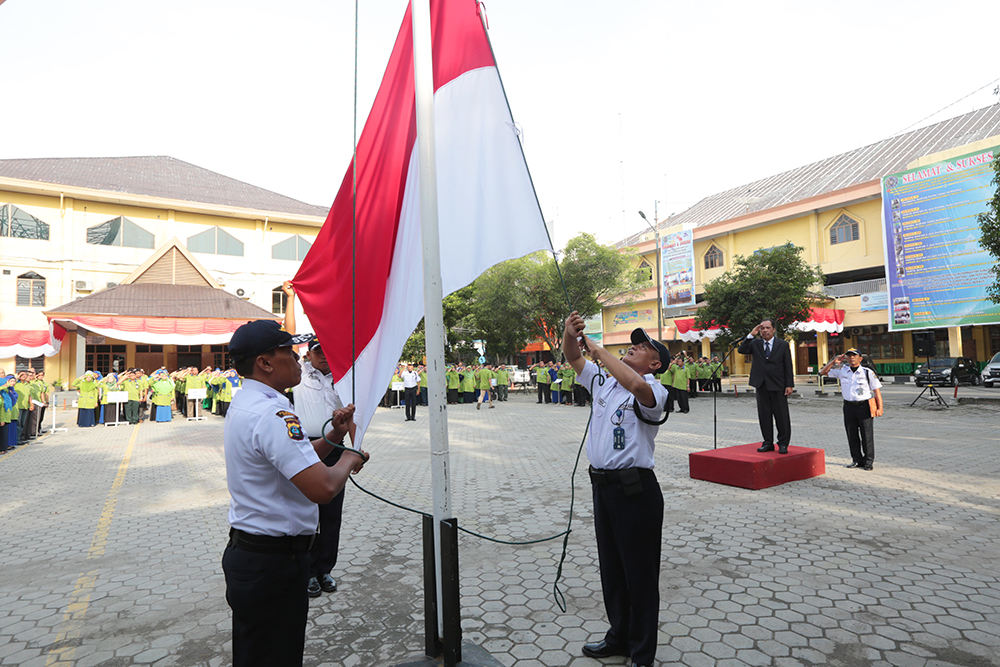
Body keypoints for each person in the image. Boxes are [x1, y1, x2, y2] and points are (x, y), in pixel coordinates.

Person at [222, 319, 368, 667]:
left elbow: (295, 462)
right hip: (273, 562)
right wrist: (351, 455)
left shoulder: (249, 403)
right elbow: (323, 487)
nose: (298, 360)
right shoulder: (274, 413)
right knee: (276, 656)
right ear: (265, 363)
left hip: (256, 556)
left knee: (260, 653)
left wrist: (333, 435)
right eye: (289, 352)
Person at [563, 312, 669, 667]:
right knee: (613, 571)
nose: (632, 348)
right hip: (604, 489)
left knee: (639, 575)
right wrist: (569, 334)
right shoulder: (605, 383)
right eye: (632, 345)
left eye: (640, 348)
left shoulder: (654, 389)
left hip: (636, 493)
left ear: (654, 363)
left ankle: (642, 653)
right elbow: (574, 358)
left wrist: (599, 349)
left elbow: (636, 386)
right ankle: (619, 637)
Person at [738, 318, 794, 454]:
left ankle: (783, 443)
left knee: (781, 416)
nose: (765, 330)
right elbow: (742, 349)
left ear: (773, 329)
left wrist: (789, 384)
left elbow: (788, 365)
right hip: (761, 384)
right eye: (762, 328)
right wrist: (751, 334)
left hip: (778, 385)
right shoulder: (755, 343)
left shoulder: (782, 345)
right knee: (764, 416)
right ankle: (768, 442)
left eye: (768, 328)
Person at [821, 348, 883, 471]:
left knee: (867, 435)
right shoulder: (843, 371)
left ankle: (868, 461)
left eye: (854, 356)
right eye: (849, 356)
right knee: (852, 434)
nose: (851, 358)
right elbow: (823, 372)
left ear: (860, 358)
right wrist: (834, 361)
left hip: (864, 406)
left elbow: (877, 391)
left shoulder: (867, 372)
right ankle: (856, 460)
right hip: (849, 406)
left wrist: (880, 408)